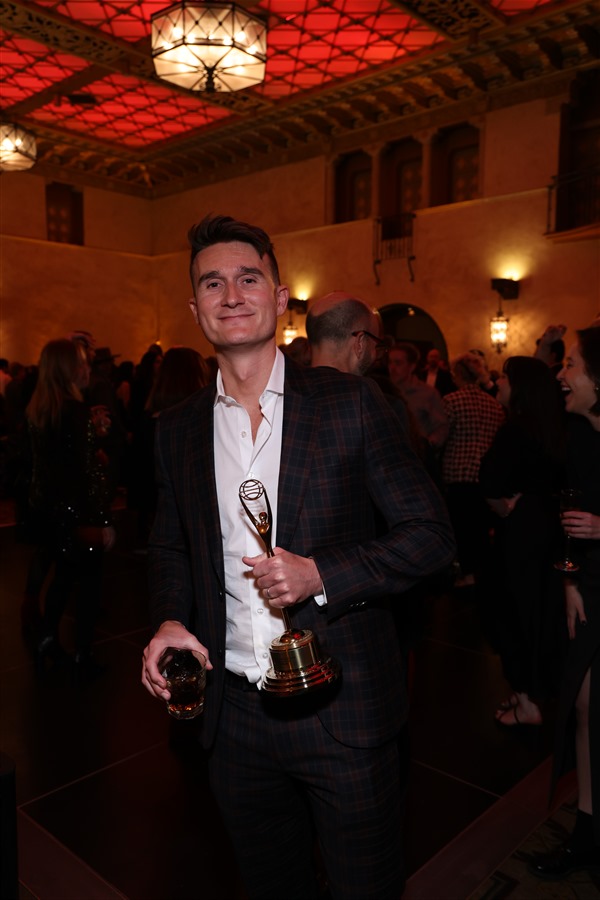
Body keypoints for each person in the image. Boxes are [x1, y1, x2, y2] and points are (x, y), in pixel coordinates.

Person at [141, 214, 455, 900]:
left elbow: (431, 535)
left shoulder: (350, 403)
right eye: (213, 283)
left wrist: (322, 575)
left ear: (281, 298)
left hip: (343, 711)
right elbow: (169, 544)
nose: (231, 295)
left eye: (248, 279)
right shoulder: (177, 429)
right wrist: (169, 619)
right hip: (233, 720)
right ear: (195, 308)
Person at [529, 324, 600, 880]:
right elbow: (572, 528)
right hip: (594, 587)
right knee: (582, 705)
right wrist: (571, 585)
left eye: (572, 364)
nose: (561, 373)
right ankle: (587, 833)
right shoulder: (580, 437)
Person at [478, 357, 566, 726]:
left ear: (520, 387)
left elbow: (488, 483)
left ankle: (528, 703)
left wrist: (504, 509)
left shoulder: (514, 430)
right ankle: (531, 691)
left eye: (504, 377)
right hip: (550, 530)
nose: (498, 382)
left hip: (521, 534)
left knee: (511, 613)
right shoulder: (556, 426)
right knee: (538, 612)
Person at [26, 339, 115, 679]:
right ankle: (83, 654)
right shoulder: (75, 412)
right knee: (89, 587)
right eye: (82, 363)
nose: (87, 369)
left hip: (51, 511)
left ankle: (47, 639)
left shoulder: (39, 410)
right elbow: (86, 473)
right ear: (69, 369)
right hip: (79, 513)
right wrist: (103, 520)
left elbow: (48, 466)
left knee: (62, 579)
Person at [442, 354, 505, 588]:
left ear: (458, 375)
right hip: (486, 477)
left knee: (461, 529)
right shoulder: (494, 404)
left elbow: (441, 436)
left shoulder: (450, 401)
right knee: (480, 530)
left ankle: (466, 575)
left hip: (458, 474)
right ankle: (480, 576)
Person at [306, 291, 387, 376]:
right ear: (360, 343)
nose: (375, 355)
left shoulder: (297, 381)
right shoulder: (365, 384)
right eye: (376, 346)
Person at [387, 341, 449, 451]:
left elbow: (441, 427)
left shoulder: (427, 393)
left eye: (398, 363)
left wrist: (427, 444)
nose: (392, 367)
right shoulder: (383, 390)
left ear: (411, 367)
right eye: (390, 362)